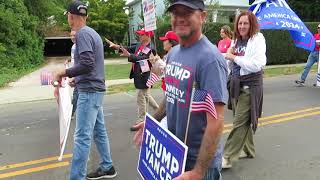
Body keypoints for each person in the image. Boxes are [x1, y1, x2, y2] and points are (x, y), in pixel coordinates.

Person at [134, 0, 228, 179]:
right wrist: (151, 122)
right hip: (175, 155)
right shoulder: (174, 53)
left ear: (202, 16)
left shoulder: (209, 60)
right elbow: (172, 94)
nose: (180, 18)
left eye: (187, 12)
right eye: (176, 13)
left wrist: (198, 172)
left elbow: (215, 122)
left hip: (199, 163)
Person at [53, 1, 116, 179]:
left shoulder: (82, 34)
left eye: (68, 16)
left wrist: (63, 72)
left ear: (71, 17)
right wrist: (77, 79)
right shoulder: (92, 33)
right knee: (99, 130)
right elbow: (89, 65)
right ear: (85, 16)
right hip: (91, 88)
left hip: (90, 92)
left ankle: (76, 177)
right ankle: (107, 166)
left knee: (81, 137)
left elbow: (87, 64)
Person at [222, 11, 266, 169]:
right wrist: (228, 56)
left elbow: (257, 64)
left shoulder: (258, 39)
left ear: (251, 24)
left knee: (239, 122)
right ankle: (249, 150)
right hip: (235, 85)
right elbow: (231, 62)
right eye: (240, 23)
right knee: (242, 120)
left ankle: (226, 157)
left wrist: (234, 58)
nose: (242, 26)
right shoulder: (236, 40)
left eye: (245, 23)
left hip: (250, 87)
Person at [107, 29, 159, 131]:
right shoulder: (140, 44)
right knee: (145, 95)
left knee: (141, 97)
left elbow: (141, 58)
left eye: (141, 34)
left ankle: (141, 120)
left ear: (148, 36)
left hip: (145, 76)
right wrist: (116, 46)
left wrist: (129, 56)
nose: (139, 36)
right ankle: (158, 110)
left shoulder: (150, 48)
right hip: (139, 75)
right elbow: (128, 48)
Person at [64, 30, 78, 118]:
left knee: (76, 95)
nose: (72, 37)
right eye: (71, 35)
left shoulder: (80, 46)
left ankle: (71, 113)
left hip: (79, 74)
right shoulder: (73, 46)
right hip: (75, 73)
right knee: (77, 94)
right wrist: (68, 60)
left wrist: (76, 76)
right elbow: (74, 58)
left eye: (74, 35)